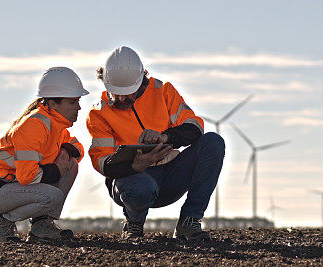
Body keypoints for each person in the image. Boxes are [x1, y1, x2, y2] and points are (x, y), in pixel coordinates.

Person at [86, 46, 224, 241]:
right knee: (139, 186)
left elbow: (194, 128)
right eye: (117, 93)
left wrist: (165, 137)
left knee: (213, 142)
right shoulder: (99, 113)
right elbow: (102, 162)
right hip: (133, 181)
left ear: (141, 80)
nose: (122, 98)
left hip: (171, 176)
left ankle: (189, 221)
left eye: (128, 92)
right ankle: (133, 224)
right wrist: (134, 165)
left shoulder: (163, 91)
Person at [0, 67, 88, 242]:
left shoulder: (55, 125)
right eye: (72, 102)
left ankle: (41, 226)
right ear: (53, 103)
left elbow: (77, 147)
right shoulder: (35, 125)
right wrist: (56, 170)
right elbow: (27, 176)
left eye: (77, 101)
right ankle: (1, 221)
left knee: (71, 165)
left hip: (8, 184)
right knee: (53, 196)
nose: (78, 107)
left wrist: (65, 151)